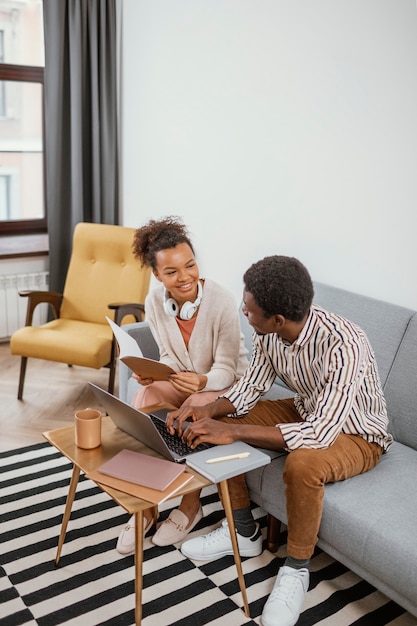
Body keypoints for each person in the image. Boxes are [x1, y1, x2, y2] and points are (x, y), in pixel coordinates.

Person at [167, 255, 393, 626]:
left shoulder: (344, 345)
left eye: (250, 309)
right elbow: (251, 386)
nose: (243, 311)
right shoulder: (268, 332)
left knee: (302, 463)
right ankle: (242, 530)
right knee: (220, 420)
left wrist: (234, 431)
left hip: (357, 432)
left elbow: (321, 433)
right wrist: (210, 410)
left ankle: (296, 569)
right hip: (308, 410)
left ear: (277, 319)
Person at [116, 216, 248, 555]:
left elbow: (228, 368)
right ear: (157, 275)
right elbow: (168, 355)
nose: (185, 277)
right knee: (146, 395)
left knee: (197, 407)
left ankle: (191, 504)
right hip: (186, 381)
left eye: (190, 265)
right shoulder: (154, 303)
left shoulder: (221, 301)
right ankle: (147, 505)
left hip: (223, 384)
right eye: (172, 272)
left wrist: (202, 382)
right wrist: (155, 373)